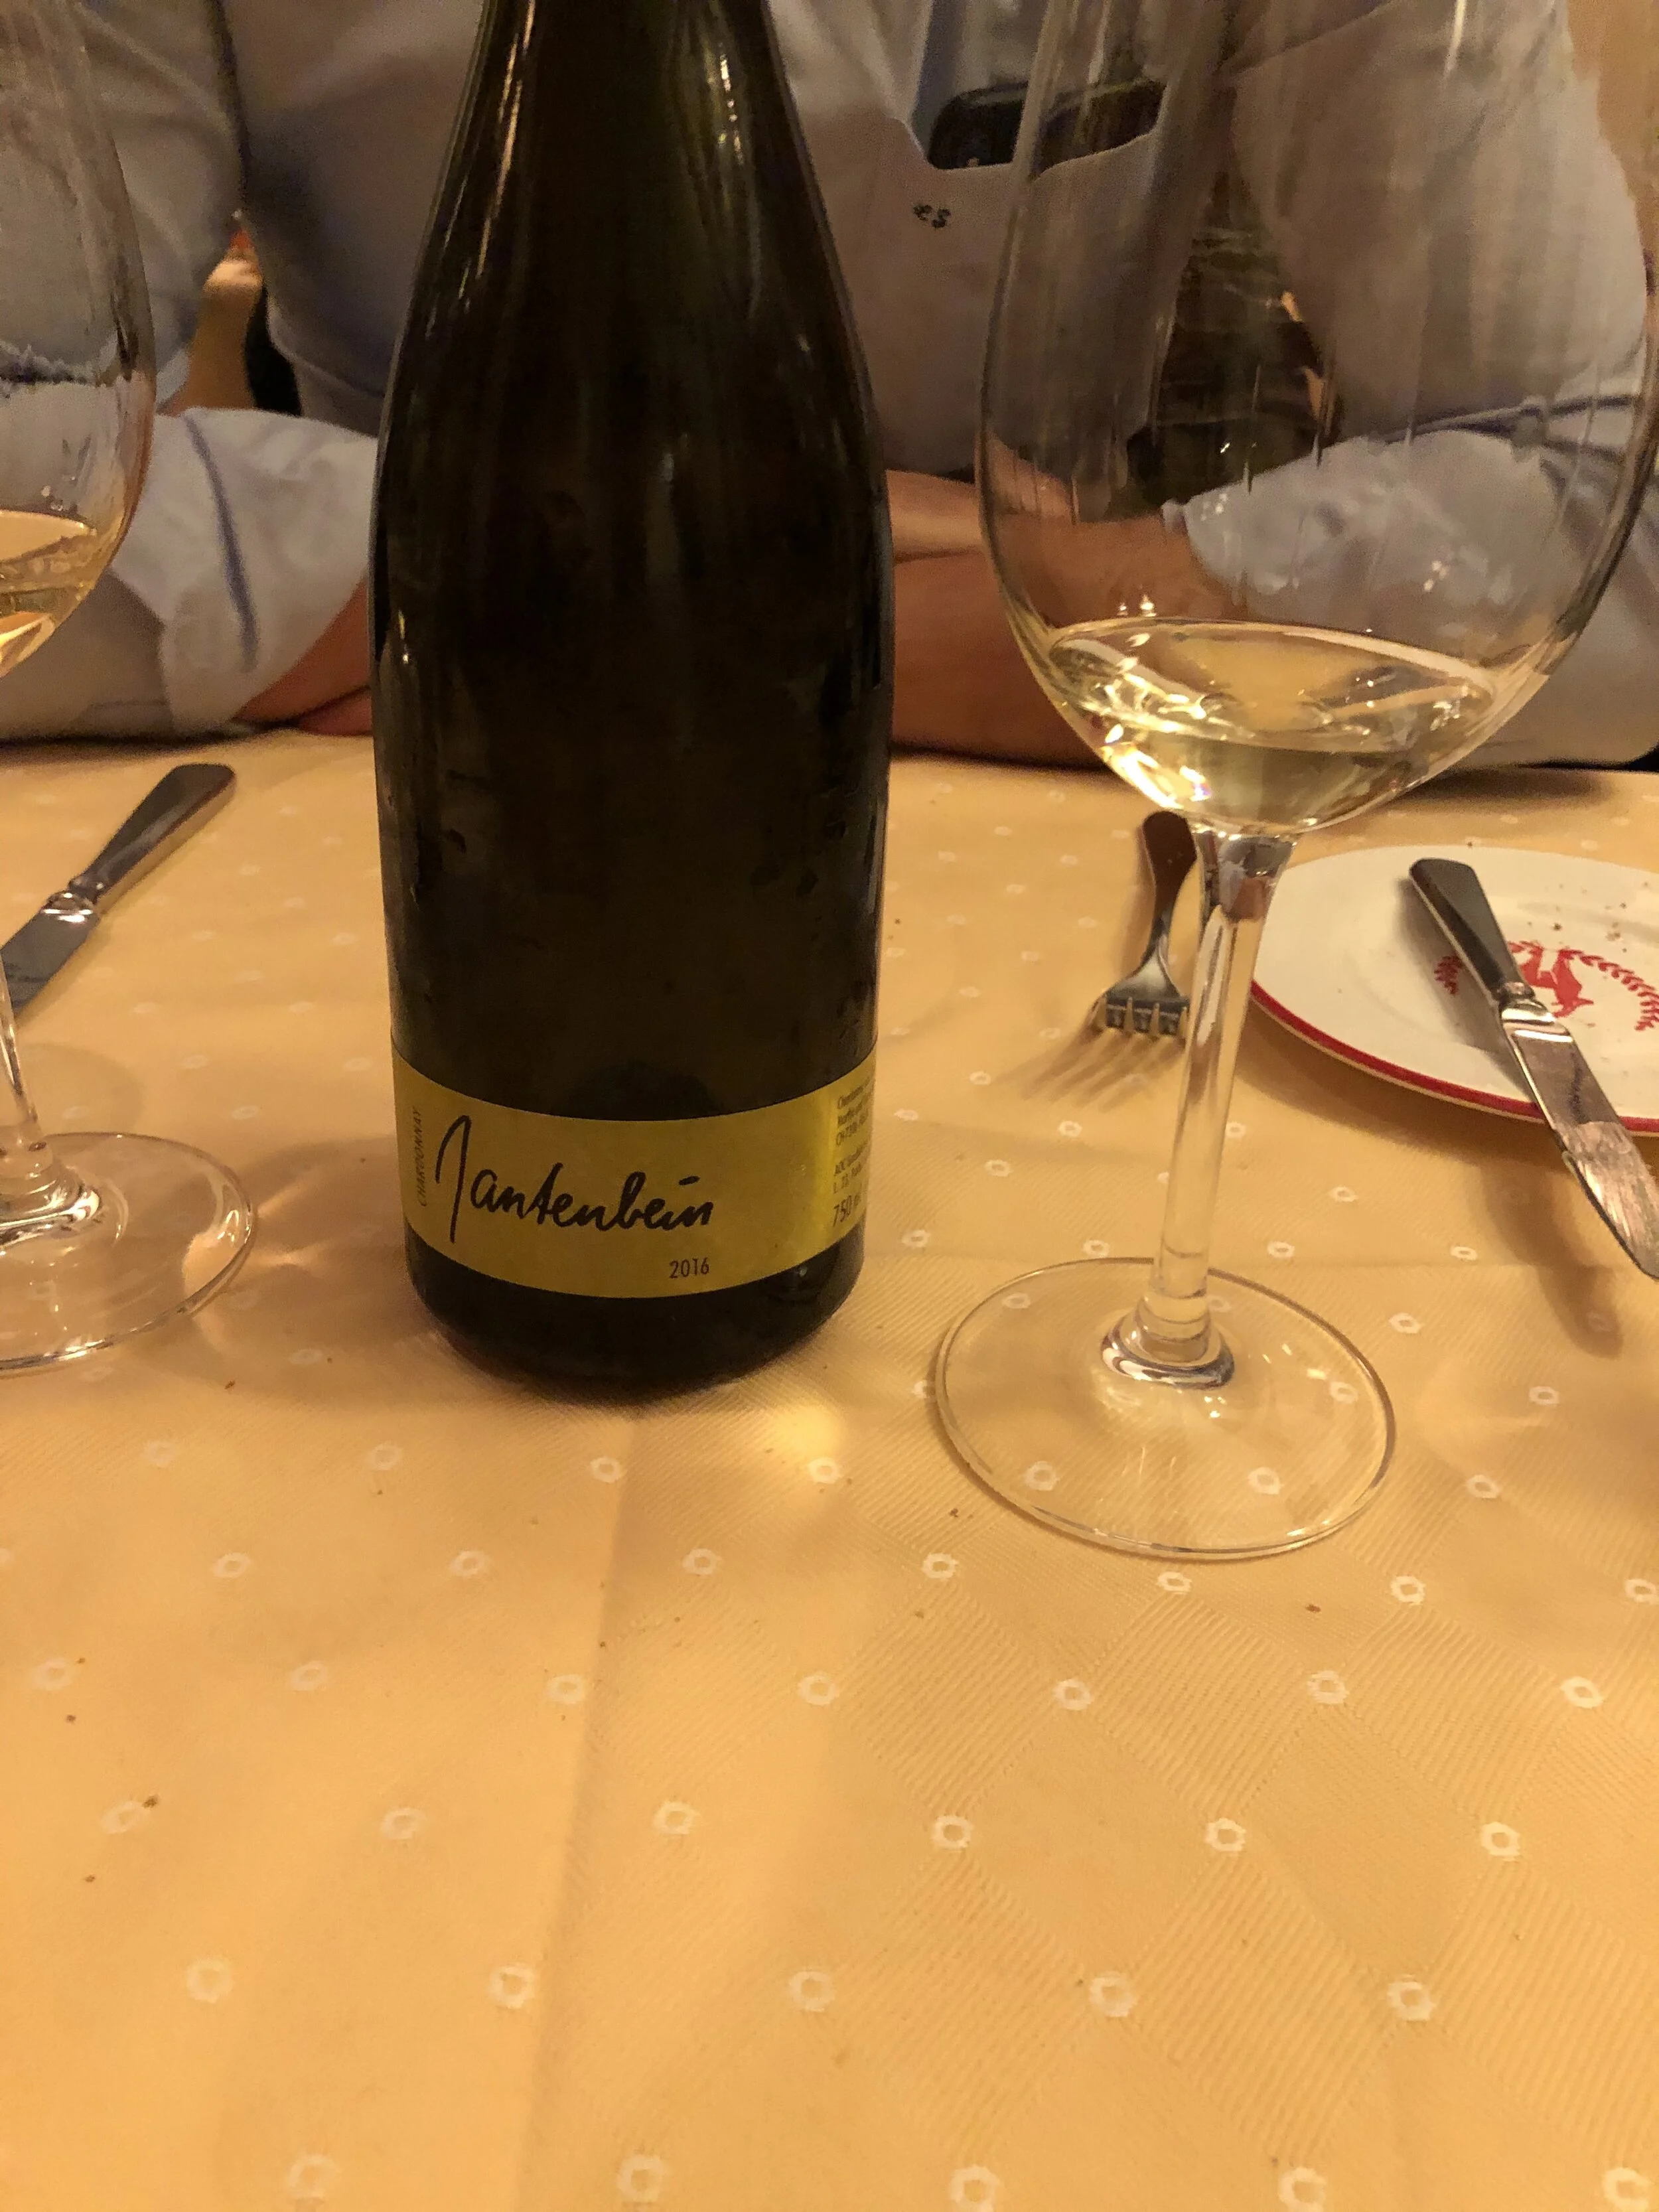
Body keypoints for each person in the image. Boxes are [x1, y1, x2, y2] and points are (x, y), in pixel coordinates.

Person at [5, 0, 1654, 769]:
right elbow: (23, 479)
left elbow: (1591, 538)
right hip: (408, 772)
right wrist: (868, 538)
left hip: (1024, 749)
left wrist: (609, 616)